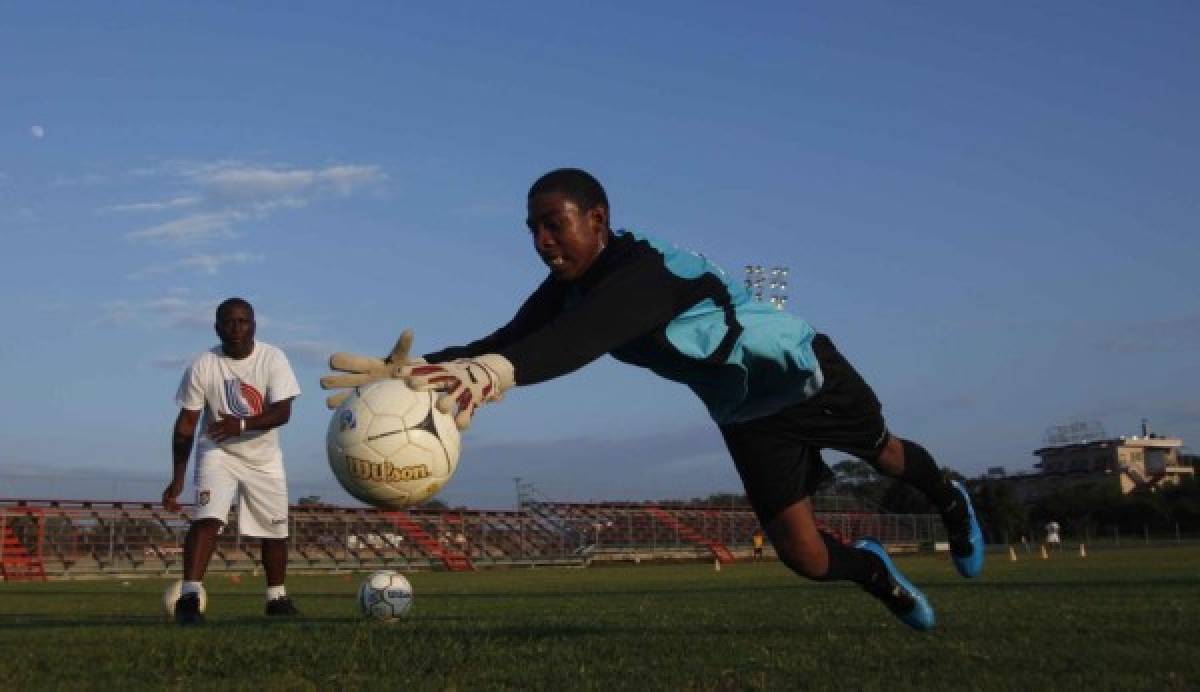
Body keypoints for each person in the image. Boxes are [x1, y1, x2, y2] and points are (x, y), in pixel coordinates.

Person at [322, 168, 984, 631]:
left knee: (884, 453)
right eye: (532, 229)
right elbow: (515, 336)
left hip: (796, 371)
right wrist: (413, 368)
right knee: (805, 557)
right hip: (745, 411)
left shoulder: (646, 274)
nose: (541, 243)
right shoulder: (570, 284)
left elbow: (584, 337)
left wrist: (490, 374)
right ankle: (876, 575)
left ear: (599, 219)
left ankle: (950, 500)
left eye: (553, 226)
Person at [163, 297, 302, 625]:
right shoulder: (203, 365)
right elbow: (186, 425)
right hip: (218, 452)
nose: (236, 328)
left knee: (275, 531)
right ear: (217, 328)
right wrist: (177, 478)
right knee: (207, 519)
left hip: (263, 458)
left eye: (243, 321)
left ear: (254, 325)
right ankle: (189, 597)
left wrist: (239, 425)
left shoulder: (273, 358)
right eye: (229, 322)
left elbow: (283, 412)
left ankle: (276, 599)